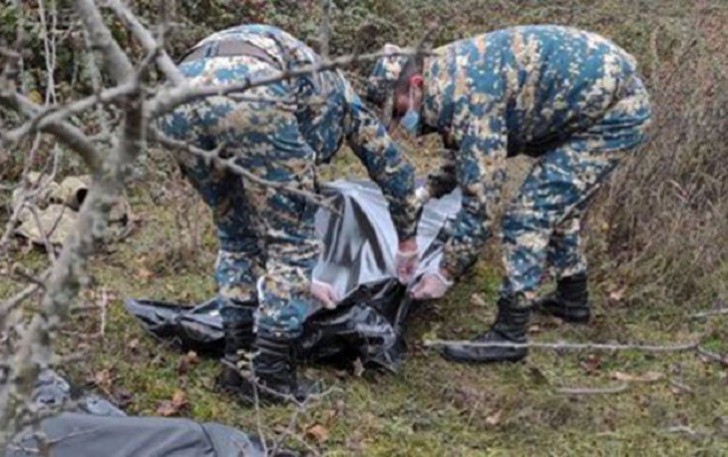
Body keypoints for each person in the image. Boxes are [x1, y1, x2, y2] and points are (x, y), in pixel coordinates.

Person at [159, 24, 421, 403]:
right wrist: (408, 240)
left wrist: (298, 279)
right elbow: (394, 171)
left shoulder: (314, 81)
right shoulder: (347, 103)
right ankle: (270, 376)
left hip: (177, 89)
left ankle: (237, 363)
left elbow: (257, 214)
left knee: (236, 236)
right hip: (253, 89)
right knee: (294, 242)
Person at [364, 25, 652, 364]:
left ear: (415, 86)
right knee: (558, 206)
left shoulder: (468, 93)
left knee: (528, 216)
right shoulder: (447, 75)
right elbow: (467, 153)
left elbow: (481, 202)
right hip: (591, 102)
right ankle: (572, 300)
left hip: (614, 114)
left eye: (398, 111)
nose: (399, 123)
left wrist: (446, 271)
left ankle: (510, 334)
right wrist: (427, 191)